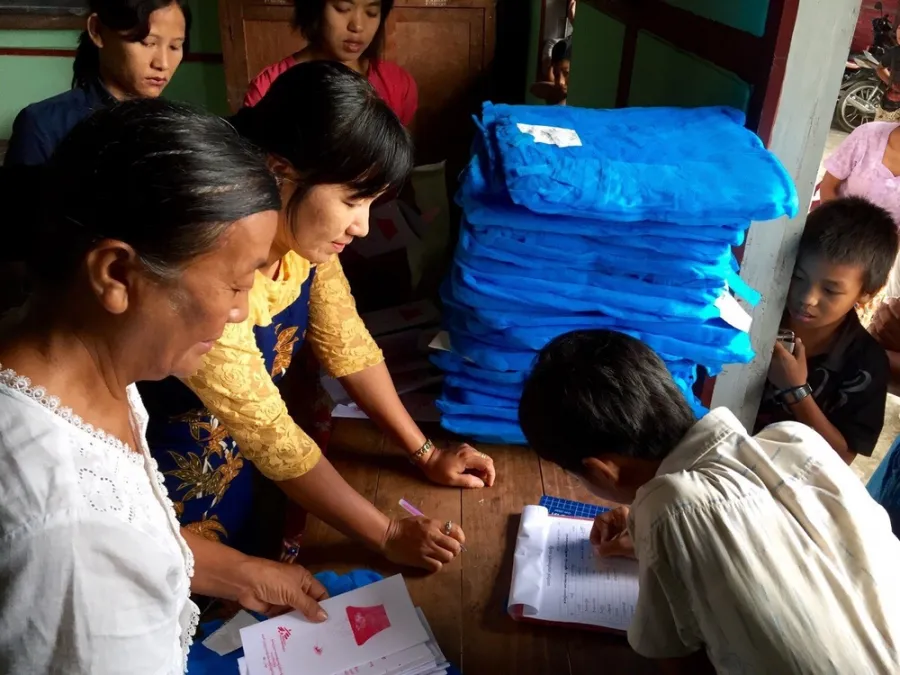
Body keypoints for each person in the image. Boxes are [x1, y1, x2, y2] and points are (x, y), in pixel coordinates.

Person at [0, 100, 333, 675]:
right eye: (234, 285)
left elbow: (135, 526)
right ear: (116, 275)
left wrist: (240, 571)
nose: (239, 313)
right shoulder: (67, 523)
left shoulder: (77, 367)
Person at [140, 61, 494, 573]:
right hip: (171, 494)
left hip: (248, 474)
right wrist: (388, 533)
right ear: (281, 171)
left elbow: (347, 343)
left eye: (372, 202)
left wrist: (424, 453)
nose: (364, 226)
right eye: (353, 200)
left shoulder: (302, 245)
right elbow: (269, 433)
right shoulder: (209, 263)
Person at [518, 329, 900, 674]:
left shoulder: (668, 509)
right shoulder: (796, 441)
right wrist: (651, 538)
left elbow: (675, 658)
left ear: (602, 471)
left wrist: (656, 532)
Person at [754, 197, 897, 465]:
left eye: (830, 290)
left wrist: (795, 390)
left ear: (867, 293)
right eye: (798, 277)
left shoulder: (867, 364)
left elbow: (842, 457)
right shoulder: (756, 313)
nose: (807, 298)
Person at [4, 0, 189, 167]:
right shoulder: (43, 125)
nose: (163, 63)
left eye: (174, 47)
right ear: (97, 30)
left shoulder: (180, 126)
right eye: (147, 42)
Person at [242, 0, 416, 127]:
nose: (357, 26)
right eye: (342, 9)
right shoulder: (268, 88)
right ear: (315, 9)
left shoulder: (398, 85)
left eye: (371, 13)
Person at [876, 22, 900, 122]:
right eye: (899, 28)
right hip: (892, 105)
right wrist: (892, 85)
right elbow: (880, 69)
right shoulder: (894, 52)